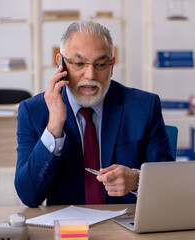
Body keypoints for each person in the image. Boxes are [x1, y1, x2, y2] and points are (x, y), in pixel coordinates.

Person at [15, 20, 173, 207]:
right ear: (61, 64)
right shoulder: (33, 111)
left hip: (125, 228)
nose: (90, 75)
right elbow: (29, 196)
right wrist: (54, 126)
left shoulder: (144, 106)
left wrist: (137, 181)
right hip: (68, 230)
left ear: (112, 66)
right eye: (79, 63)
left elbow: (168, 184)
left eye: (100, 65)